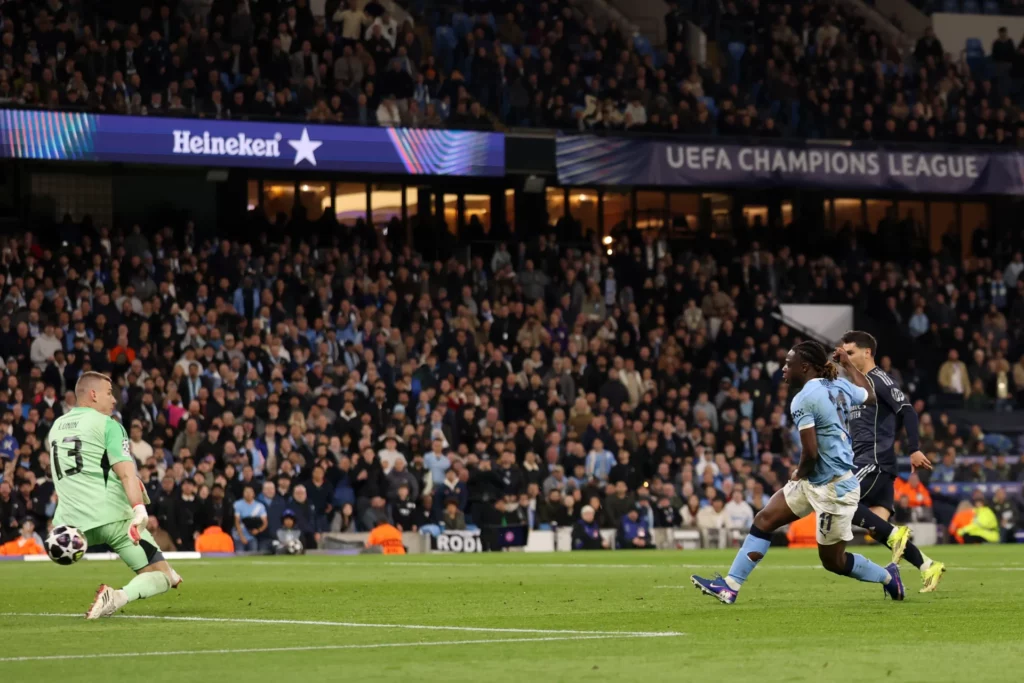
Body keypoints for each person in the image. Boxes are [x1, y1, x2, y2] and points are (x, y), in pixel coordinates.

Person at [692, 342, 904, 604]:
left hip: (834, 489)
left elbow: (811, 453)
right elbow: (869, 395)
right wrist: (848, 366)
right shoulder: (839, 386)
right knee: (765, 519)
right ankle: (730, 586)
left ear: (804, 367)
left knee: (833, 562)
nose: (783, 368)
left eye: (788, 363)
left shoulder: (803, 399)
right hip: (816, 480)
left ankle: (887, 577)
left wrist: (797, 472)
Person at [48, 372, 182, 619]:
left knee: (167, 573)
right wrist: (139, 510)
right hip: (112, 518)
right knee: (162, 577)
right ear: (93, 394)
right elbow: (126, 475)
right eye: (109, 394)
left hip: (70, 526)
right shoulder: (108, 425)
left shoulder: (56, 426)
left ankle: (168, 570)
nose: (114, 401)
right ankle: (117, 596)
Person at [839, 331, 946, 592]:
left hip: (873, 460)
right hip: (868, 462)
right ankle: (927, 565)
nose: (847, 358)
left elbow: (906, 410)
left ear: (867, 352)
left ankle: (899, 540)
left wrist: (914, 448)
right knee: (881, 531)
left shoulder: (880, 380)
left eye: (850, 353)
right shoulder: (857, 384)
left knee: (839, 500)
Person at [232, 485, 268, 552]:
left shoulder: (260, 506)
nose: (248, 494)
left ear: (253, 494)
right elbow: (236, 521)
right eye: (246, 492)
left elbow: (265, 522)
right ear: (243, 493)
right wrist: (241, 536)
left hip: (252, 537)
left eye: (250, 492)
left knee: (253, 556)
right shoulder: (237, 504)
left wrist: (258, 530)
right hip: (238, 536)